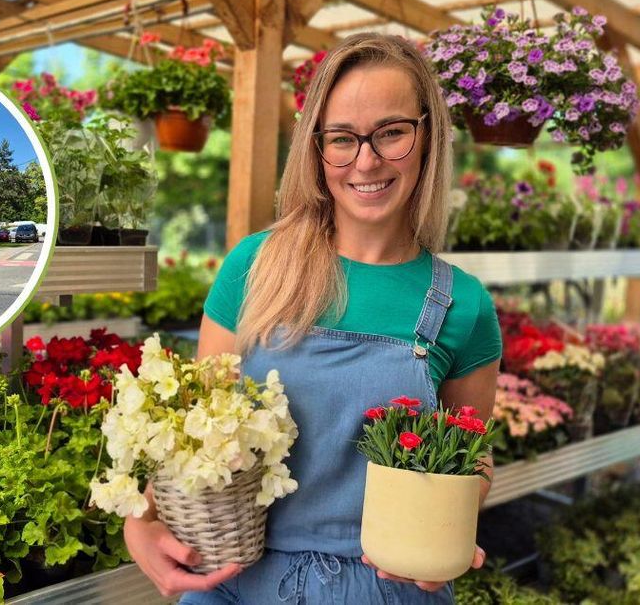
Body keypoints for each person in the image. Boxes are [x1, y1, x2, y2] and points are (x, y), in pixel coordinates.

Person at [124, 33, 502, 604]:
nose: (366, 161)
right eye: (342, 139)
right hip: (233, 582)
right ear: (316, 148)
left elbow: (474, 458)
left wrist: (446, 530)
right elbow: (189, 430)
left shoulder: (462, 305)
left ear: (429, 135)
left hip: (385, 589)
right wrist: (142, 522)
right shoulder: (253, 267)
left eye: (392, 133)